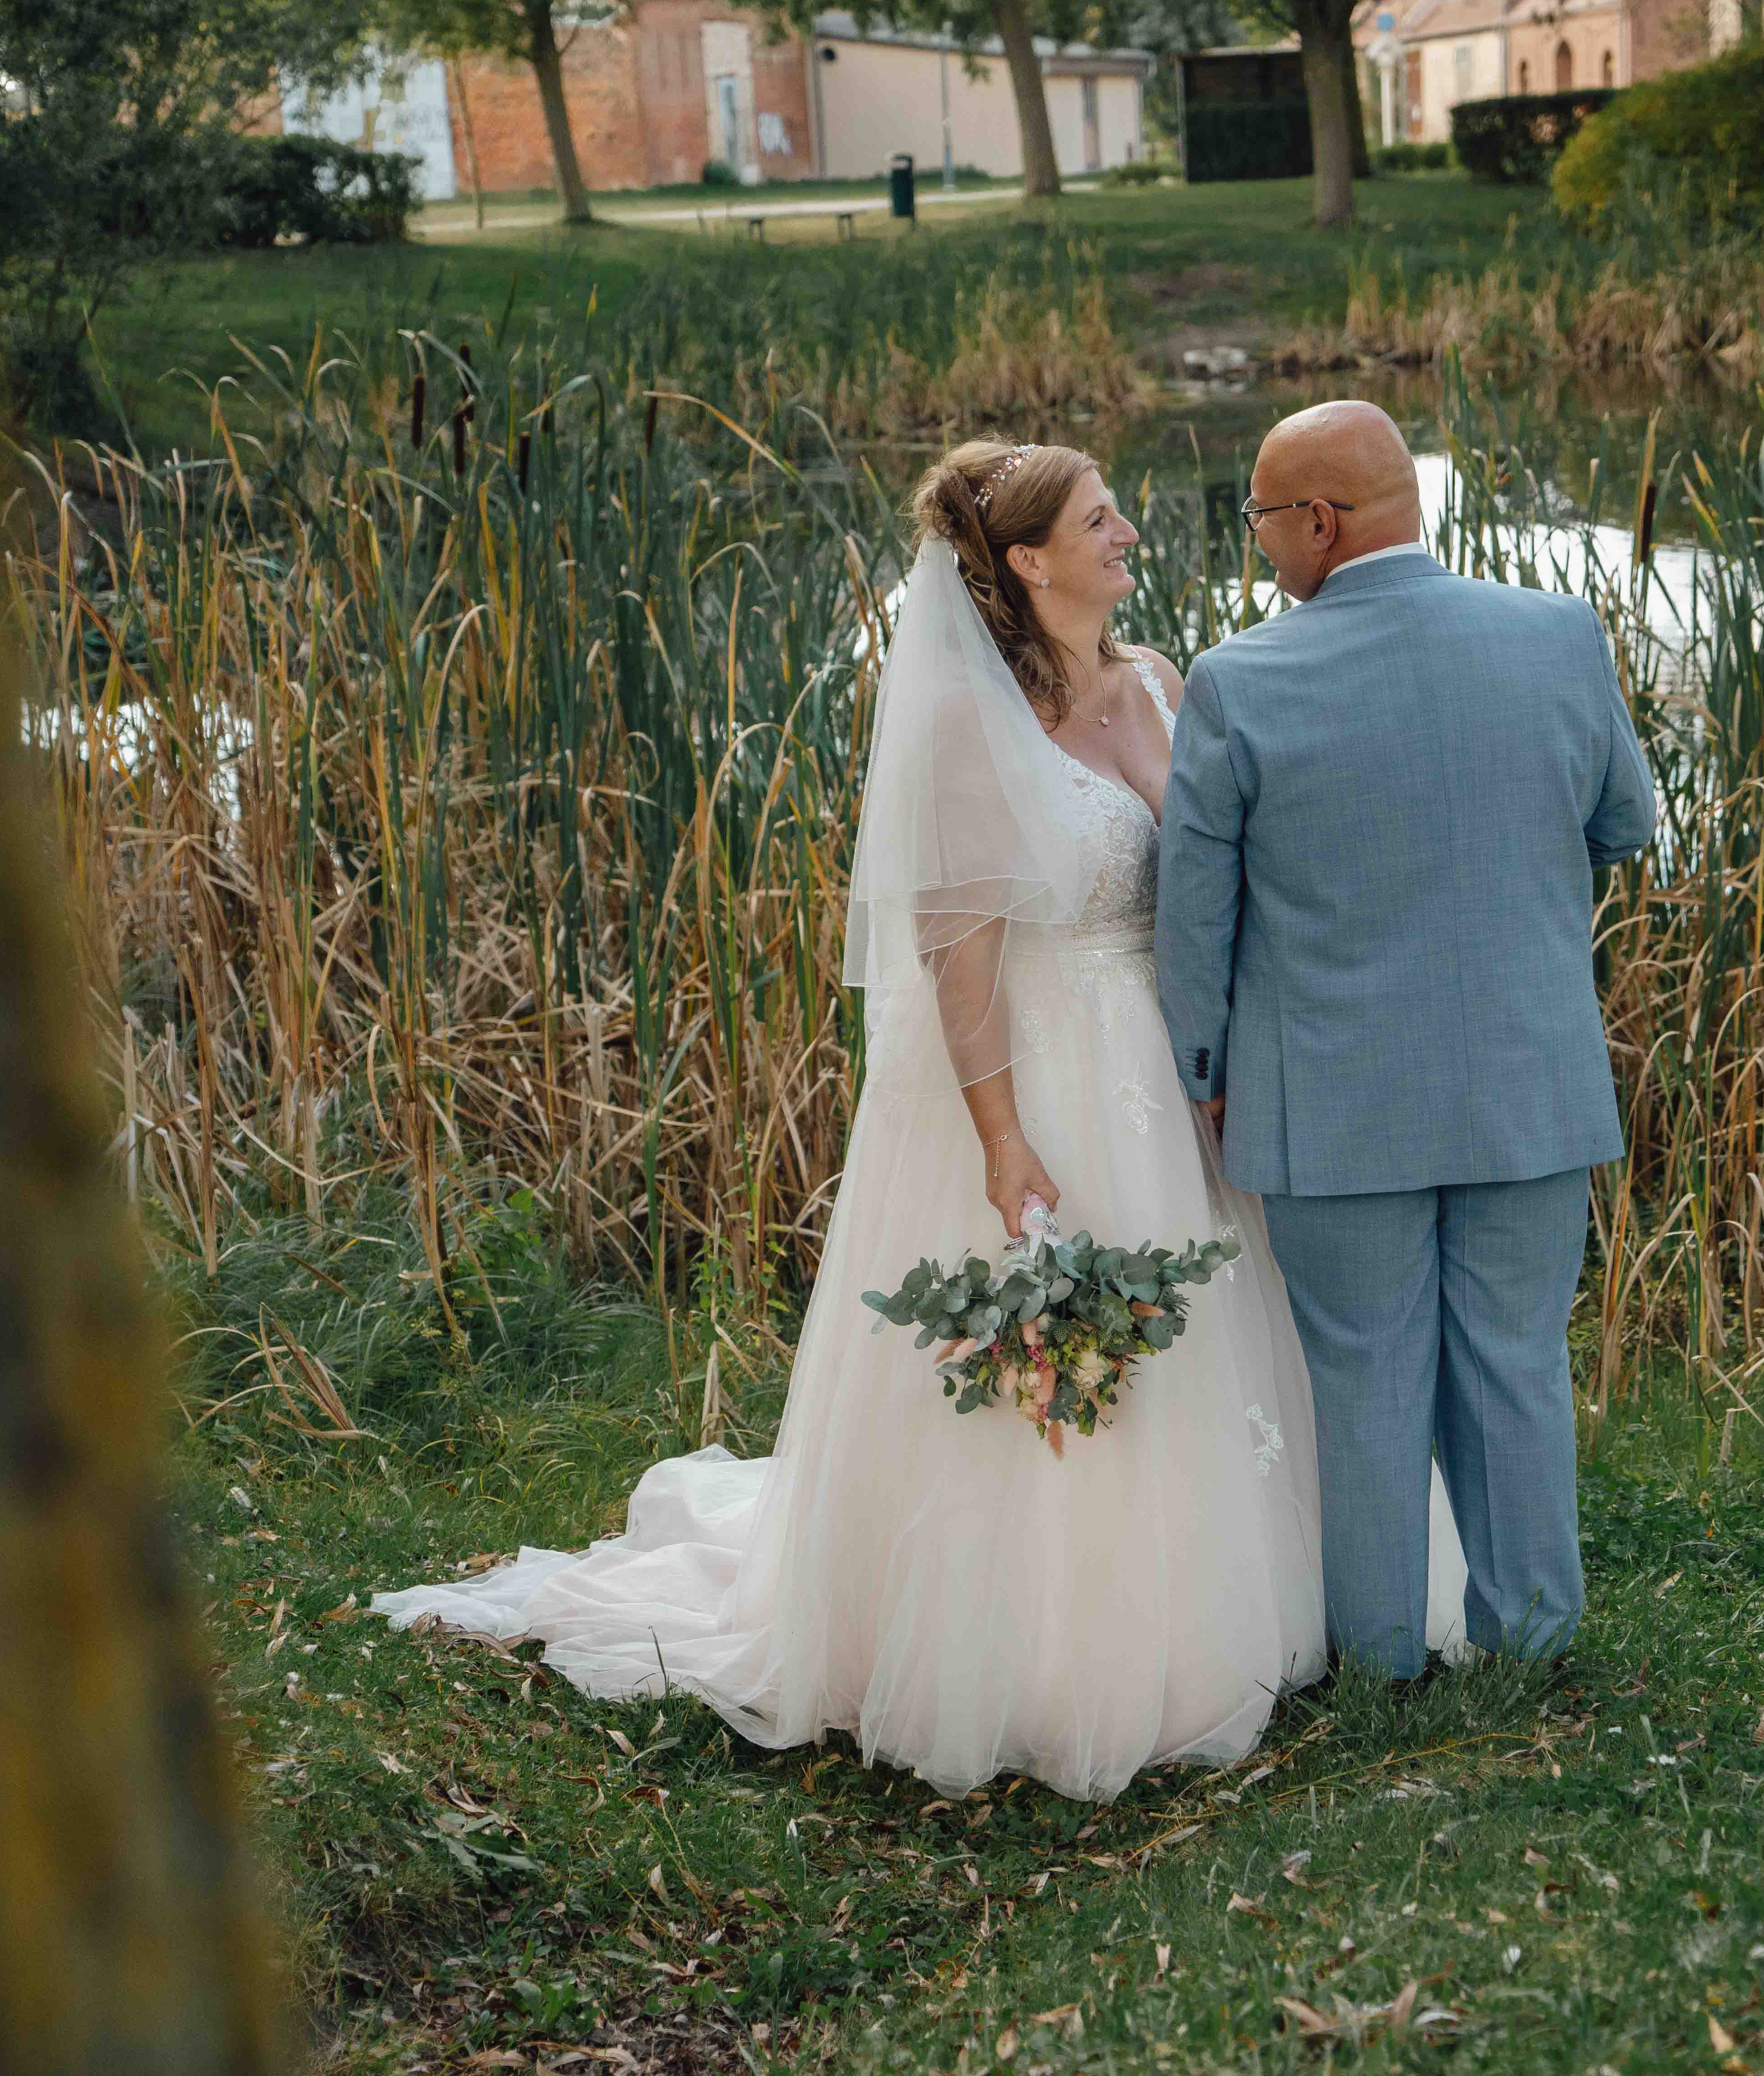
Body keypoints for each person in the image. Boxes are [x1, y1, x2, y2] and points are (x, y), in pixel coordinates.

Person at [372, 440, 1466, 1801]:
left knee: (1223, 1337)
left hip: (1176, 1076)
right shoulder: (970, 725)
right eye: (1099, 518)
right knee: (1068, 1352)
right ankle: (1065, 1656)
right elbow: (959, 959)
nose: (1130, 532)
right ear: (1024, 560)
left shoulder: (1164, 685)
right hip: (1048, 1066)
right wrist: (1007, 1140)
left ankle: (1275, 1600)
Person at [1156, 399, 1658, 1683]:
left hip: (1332, 1100)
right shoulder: (1556, 635)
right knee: (1515, 1360)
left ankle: (1381, 1666)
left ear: (1320, 523)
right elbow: (1622, 823)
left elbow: (1197, 921)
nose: (1262, 542)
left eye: (1265, 517)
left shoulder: (1238, 682)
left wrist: (1204, 1081)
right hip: (1528, 1077)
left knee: (1365, 1379)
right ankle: (1536, 1645)